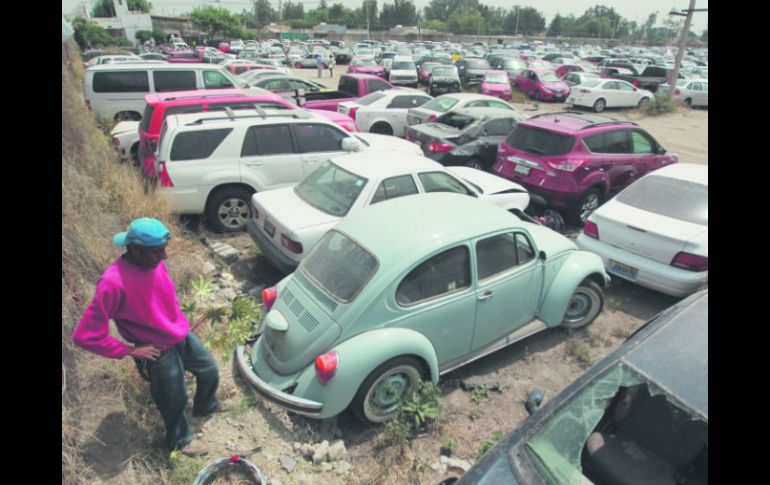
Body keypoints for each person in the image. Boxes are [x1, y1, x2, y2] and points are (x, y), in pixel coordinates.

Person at [73, 218, 228, 457]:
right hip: (156, 349)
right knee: (174, 396)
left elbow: (163, 295)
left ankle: (205, 405)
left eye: (164, 249)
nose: (165, 256)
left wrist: (176, 322)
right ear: (135, 249)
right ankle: (180, 440)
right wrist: (129, 350)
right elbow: (85, 335)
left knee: (208, 369)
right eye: (158, 251)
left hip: (179, 334)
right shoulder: (112, 283)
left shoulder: (153, 262)